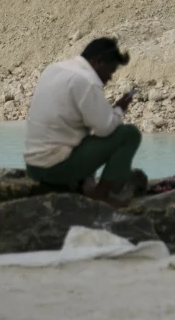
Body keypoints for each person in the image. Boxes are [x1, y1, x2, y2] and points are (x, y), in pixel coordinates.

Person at [23, 37, 142, 207]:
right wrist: (119, 110)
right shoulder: (87, 80)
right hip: (54, 169)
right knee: (129, 134)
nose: (110, 78)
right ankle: (101, 195)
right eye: (111, 70)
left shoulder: (54, 68)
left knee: (84, 134)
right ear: (99, 62)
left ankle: (84, 183)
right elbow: (105, 129)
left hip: (33, 168)